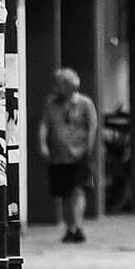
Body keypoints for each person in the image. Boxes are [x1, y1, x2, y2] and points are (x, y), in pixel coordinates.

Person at [37, 67, 98, 243]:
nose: (56, 88)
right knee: (64, 193)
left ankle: (78, 226)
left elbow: (92, 125)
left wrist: (89, 146)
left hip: (79, 153)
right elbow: (44, 124)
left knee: (78, 190)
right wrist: (42, 144)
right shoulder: (50, 103)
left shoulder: (85, 103)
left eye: (60, 85)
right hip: (58, 155)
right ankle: (69, 227)